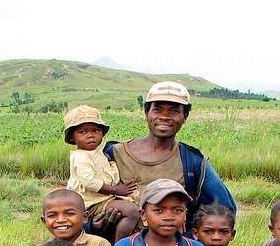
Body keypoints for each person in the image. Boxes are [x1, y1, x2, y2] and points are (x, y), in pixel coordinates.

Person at [101, 81, 236, 234]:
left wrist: (191, 242)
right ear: (146, 113)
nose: (164, 117)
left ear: (185, 116)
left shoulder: (193, 162)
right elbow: (86, 201)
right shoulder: (115, 154)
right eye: (157, 109)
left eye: (173, 111)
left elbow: (224, 210)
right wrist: (94, 225)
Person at [64, 105, 139, 242]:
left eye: (96, 130)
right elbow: (89, 182)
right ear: (72, 138)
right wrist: (116, 190)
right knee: (131, 211)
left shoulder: (98, 153)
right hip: (91, 202)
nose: (90, 135)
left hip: (101, 198)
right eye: (82, 132)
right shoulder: (81, 157)